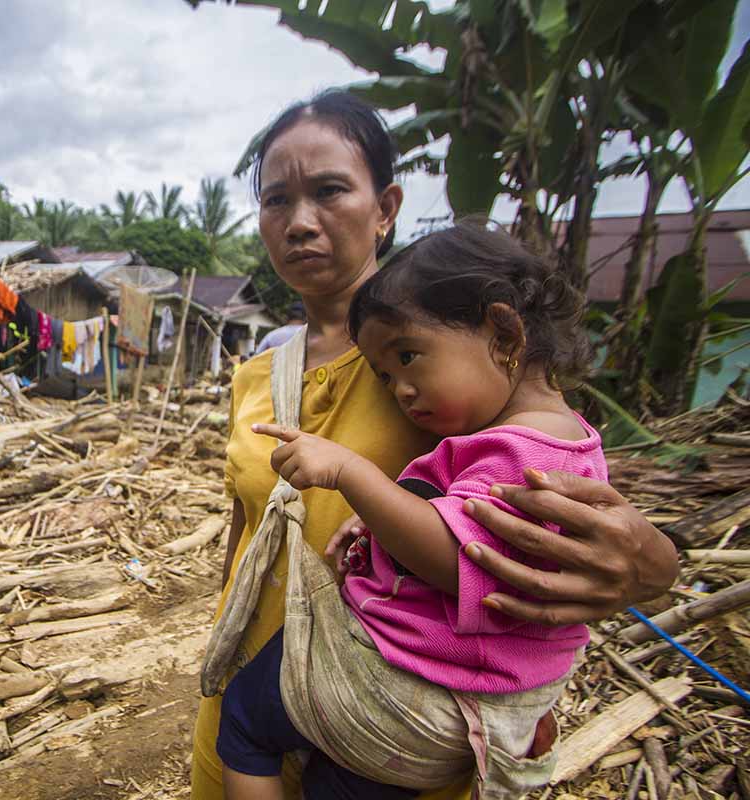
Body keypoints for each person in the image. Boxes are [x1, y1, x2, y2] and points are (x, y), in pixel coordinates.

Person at [192, 89, 680, 800]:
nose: (299, 222)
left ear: (385, 207)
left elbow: (554, 509)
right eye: (275, 201)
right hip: (255, 694)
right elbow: (246, 527)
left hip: (388, 712)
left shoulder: (456, 371)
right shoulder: (259, 370)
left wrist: (652, 566)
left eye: (330, 190)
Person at [219, 222, 603, 800]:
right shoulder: (572, 443)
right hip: (462, 697)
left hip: (412, 689)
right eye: (384, 375)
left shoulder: (519, 453)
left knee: (245, 717)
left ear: (503, 332)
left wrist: (351, 473)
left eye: (408, 356)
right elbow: (455, 519)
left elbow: (455, 558)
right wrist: (384, 518)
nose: (400, 389)